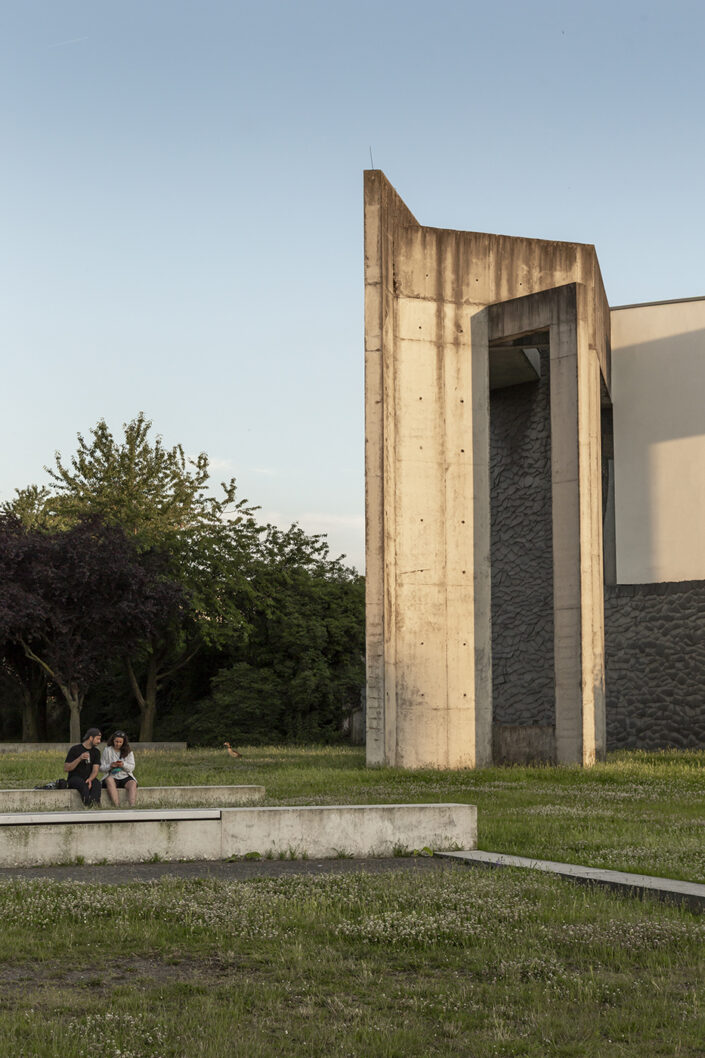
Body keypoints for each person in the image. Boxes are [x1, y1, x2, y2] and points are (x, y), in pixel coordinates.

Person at [64, 728, 103, 808]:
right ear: (91, 738)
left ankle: (95, 805)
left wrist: (90, 779)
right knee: (83, 785)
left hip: (88, 777)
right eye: (98, 739)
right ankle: (88, 805)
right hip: (74, 778)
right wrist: (79, 758)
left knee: (97, 784)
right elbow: (66, 768)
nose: (99, 741)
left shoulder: (96, 752)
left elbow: (95, 770)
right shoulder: (75, 749)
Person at [100, 731, 138, 807]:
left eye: (120, 742)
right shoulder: (107, 750)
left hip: (125, 776)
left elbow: (132, 767)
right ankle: (116, 805)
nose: (118, 744)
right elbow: (101, 768)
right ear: (113, 741)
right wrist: (110, 766)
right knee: (109, 780)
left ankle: (132, 805)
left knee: (133, 783)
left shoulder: (128, 751)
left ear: (123, 742)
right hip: (112, 776)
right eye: (116, 741)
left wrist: (123, 765)